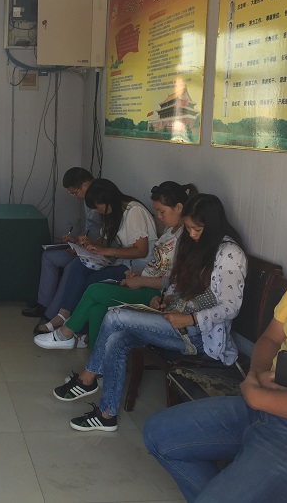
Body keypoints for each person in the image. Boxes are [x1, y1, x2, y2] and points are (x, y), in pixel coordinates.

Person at [143, 196, 287, 503]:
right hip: (262, 405)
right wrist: (256, 374)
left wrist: (256, 394)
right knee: (158, 435)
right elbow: (271, 337)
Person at [54, 194, 246, 433]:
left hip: (198, 334)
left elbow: (230, 307)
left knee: (114, 316)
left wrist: (190, 318)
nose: (192, 234)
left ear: (213, 226)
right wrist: (166, 298)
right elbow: (178, 282)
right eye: (188, 228)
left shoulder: (229, 253)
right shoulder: (196, 244)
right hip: (174, 319)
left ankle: (87, 378)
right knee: (117, 339)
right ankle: (106, 415)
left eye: (197, 229)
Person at [34, 181, 197, 349]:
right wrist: (138, 273)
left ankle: (66, 333)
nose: (158, 217)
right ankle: (94, 358)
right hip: (141, 276)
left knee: (94, 288)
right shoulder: (170, 232)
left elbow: (172, 279)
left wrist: (140, 279)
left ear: (179, 208)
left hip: (154, 291)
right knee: (94, 305)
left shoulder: (184, 237)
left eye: (161, 211)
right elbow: (159, 266)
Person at [34, 178, 158, 334]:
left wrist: (107, 251)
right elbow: (105, 241)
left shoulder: (134, 212)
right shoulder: (113, 212)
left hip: (137, 268)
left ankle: (79, 330)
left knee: (91, 282)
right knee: (78, 264)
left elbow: (141, 251)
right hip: (122, 262)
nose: (98, 212)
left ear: (109, 199)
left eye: (99, 208)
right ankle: (63, 315)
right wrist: (88, 243)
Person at [21, 167, 102, 318]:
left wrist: (81, 248)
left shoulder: (102, 201)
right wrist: (75, 239)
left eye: (74, 192)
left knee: (72, 268)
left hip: (96, 253)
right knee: (49, 256)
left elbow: (105, 238)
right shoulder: (88, 201)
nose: (74, 196)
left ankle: (53, 315)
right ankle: (43, 305)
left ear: (85, 186)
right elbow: (90, 230)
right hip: (84, 248)